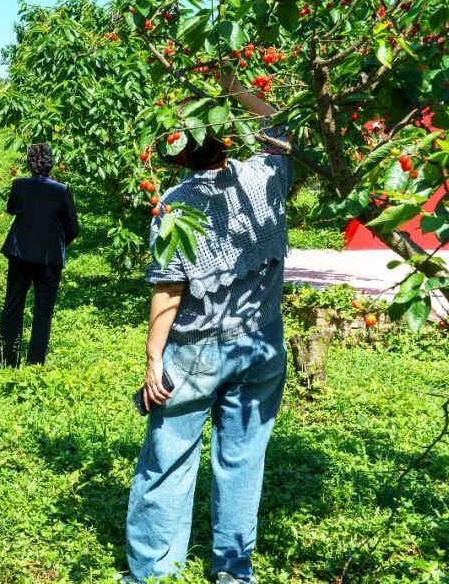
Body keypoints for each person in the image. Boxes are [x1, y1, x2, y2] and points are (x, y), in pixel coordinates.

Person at [125, 71, 293, 584]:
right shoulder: (265, 177)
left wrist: (153, 359)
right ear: (227, 137)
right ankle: (234, 571)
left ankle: (155, 573)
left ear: (178, 151)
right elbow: (284, 127)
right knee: (244, 459)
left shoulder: (176, 204)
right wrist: (232, 87)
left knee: (169, 460)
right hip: (262, 343)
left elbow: (169, 289)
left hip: (195, 350)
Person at [0, 143, 79, 367]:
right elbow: (73, 228)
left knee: (13, 304)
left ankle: (5, 358)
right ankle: (35, 362)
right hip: (49, 259)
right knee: (43, 311)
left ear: (29, 164)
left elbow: (12, 209)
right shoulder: (62, 191)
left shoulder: (19, 185)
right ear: (51, 163)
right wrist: (58, 242)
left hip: (19, 253)